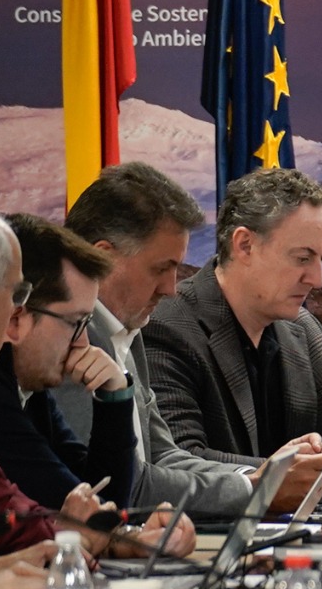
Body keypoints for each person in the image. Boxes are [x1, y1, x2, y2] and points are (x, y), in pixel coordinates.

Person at [62, 163, 304, 519]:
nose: (171, 288)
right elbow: (125, 484)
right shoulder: (69, 342)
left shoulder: (126, 331)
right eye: (161, 269)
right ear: (104, 257)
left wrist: (262, 477)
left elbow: (163, 455)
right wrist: (255, 489)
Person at [141, 169, 322, 488]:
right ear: (245, 245)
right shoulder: (168, 327)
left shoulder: (305, 330)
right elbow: (177, 461)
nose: (318, 280)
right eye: (303, 258)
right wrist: (305, 468)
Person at [0, 203, 159, 567]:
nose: (15, 314)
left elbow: (4, 511)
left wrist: (107, 538)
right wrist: (79, 536)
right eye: (16, 296)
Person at [0, 216, 147, 522]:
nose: (84, 342)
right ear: (16, 317)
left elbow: (100, 500)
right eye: (75, 322)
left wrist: (114, 397)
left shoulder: (28, 385)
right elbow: (84, 516)